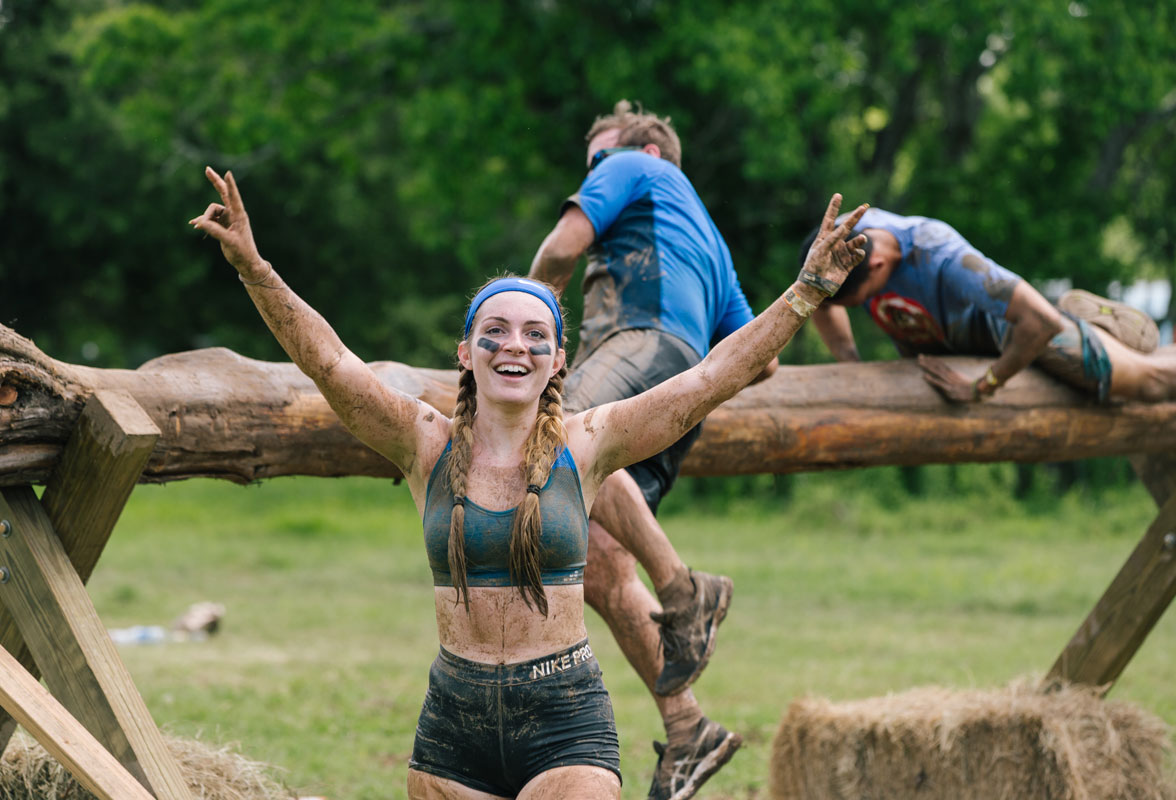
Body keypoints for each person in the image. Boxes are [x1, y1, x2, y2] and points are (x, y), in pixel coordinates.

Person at [190, 165, 868, 798]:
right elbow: (330, 363)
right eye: (496, 331)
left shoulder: (589, 442)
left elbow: (710, 378)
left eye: (535, 335)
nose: (515, 345)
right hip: (452, 727)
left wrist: (807, 291)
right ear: (465, 354)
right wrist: (254, 267)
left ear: (558, 361)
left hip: (565, 718)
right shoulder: (423, 442)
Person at [528, 101, 778, 799]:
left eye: (600, 161)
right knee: (601, 561)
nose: (596, 176)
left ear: (649, 154)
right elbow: (762, 361)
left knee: (557, 437)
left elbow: (558, 249)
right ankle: (689, 726)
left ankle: (684, 590)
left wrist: (526, 323)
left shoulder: (633, 165)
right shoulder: (713, 247)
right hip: (683, 382)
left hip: (638, 342)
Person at [802, 207, 1176, 404]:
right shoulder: (842, 243)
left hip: (1018, 334)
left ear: (879, 266)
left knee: (1151, 384)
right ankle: (1099, 330)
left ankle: (1093, 329)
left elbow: (1039, 321)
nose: (859, 307)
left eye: (861, 300)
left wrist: (983, 387)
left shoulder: (942, 256)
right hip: (958, 341)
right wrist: (850, 366)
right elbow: (820, 300)